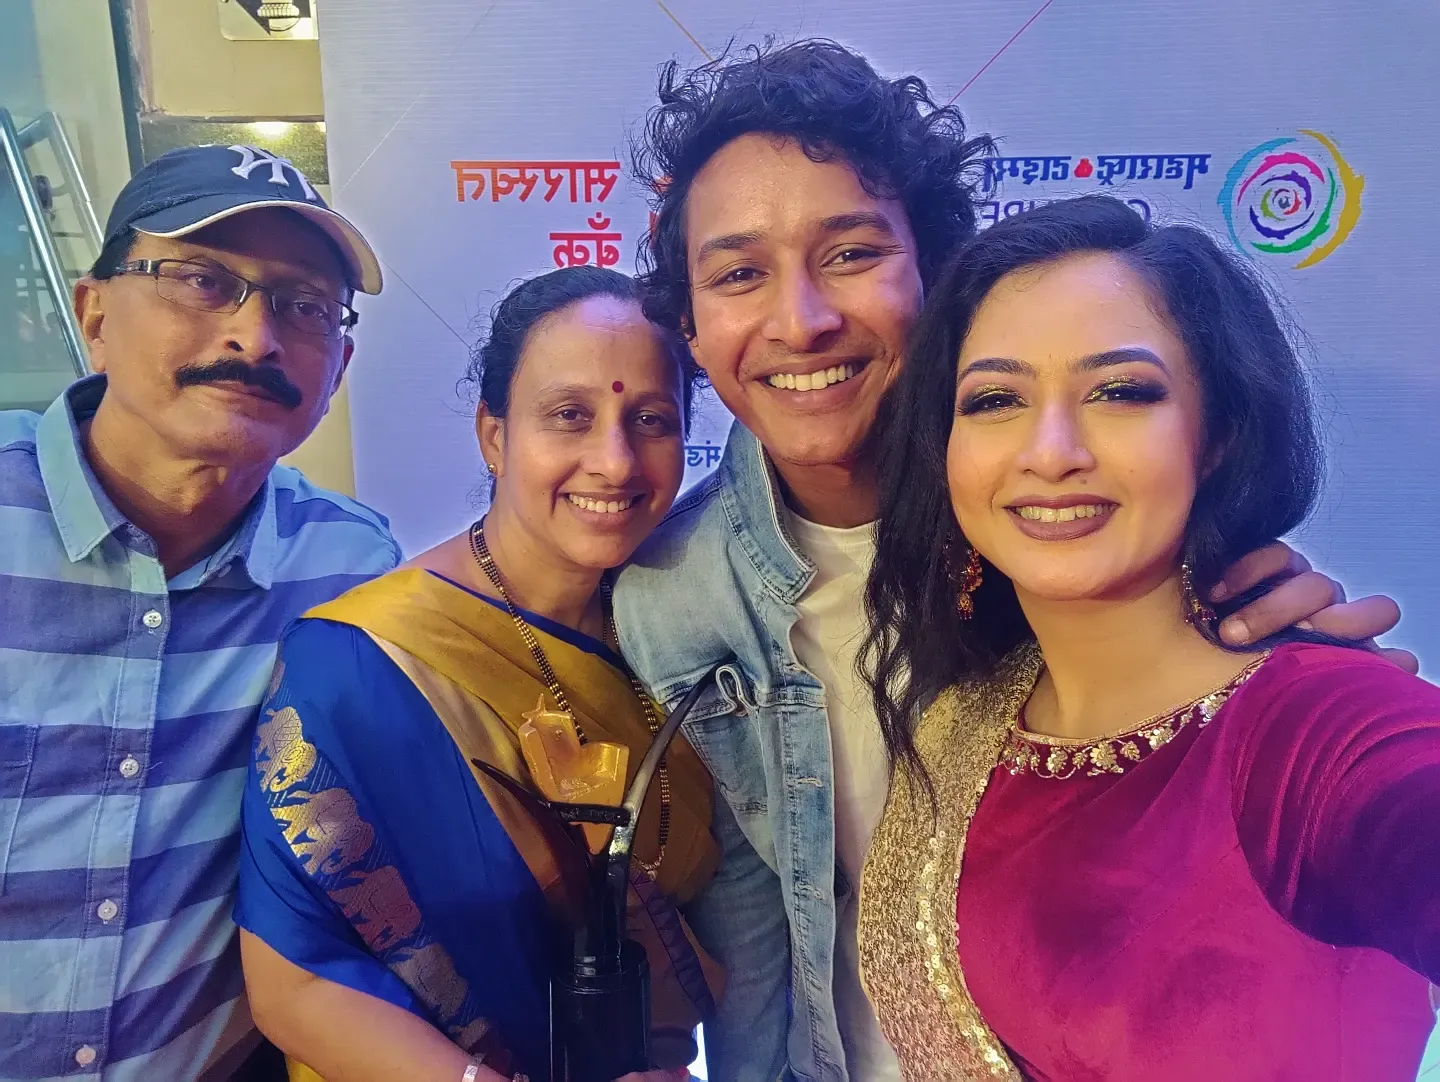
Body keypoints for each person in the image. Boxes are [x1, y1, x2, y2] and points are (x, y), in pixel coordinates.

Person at [611, 40, 1418, 1081]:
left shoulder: (1071, 544)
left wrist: (1287, 672)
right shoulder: (674, 596)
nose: (801, 319)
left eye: (852, 253)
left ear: (936, 273)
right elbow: (754, 936)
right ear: (689, 321)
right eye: (738, 275)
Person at [857, 195, 1440, 1081]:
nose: (1050, 450)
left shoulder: (1317, 725)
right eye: (996, 399)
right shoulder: (963, 716)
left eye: (1121, 392)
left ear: (1217, 437)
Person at [235, 267, 722, 1082]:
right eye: (569, 416)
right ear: (494, 435)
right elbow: (294, 979)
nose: (614, 460)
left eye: (651, 419)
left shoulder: (686, 640)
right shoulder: (360, 662)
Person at [0, 145, 400, 1081]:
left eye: (303, 306)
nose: (255, 339)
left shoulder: (347, 573)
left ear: (337, 365)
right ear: (94, 312)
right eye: (201, 280)